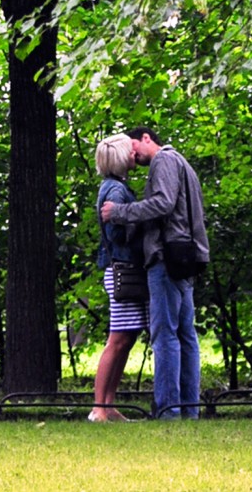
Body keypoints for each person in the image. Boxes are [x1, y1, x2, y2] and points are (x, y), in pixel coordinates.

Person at [101, 126, 209, 419]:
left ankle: (168, 411)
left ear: (146, 138)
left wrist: (120, 213)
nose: (132, 153)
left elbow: (162, 204)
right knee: (186, 334)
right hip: (184, 257)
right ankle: (189, 410)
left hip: (165, 258)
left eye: (133, 145)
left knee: (165, 335)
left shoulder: (164, 160)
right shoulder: (182, 162)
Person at [89, 133, 148, 423]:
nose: (134, 153)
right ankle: (99, 406)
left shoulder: (117, 186)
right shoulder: (114, 190)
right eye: (129, 150)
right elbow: (115, 232)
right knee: (118, 339)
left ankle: (108, 405)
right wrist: (138, 223)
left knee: (126, 337)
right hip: (121, 270)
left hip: (124, 271)